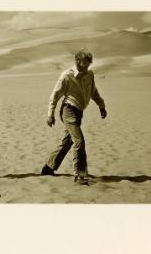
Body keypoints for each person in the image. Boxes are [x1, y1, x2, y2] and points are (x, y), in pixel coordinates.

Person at [41, 48, 108, 185]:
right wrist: (50, 114)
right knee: (79, 141)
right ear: (78, 61)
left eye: (89, 64)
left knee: (68, 141)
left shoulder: (89, 74)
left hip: (79, 112)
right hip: (68, 110)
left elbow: (94, 92)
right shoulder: (67, 75)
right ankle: (79, 175)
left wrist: (101, 106)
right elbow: (55, 96)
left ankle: (48, 167)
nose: (87, 67)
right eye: (85, 64)